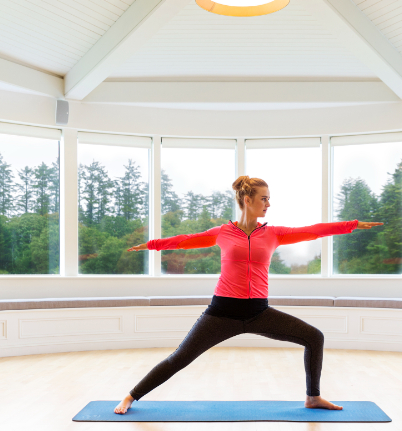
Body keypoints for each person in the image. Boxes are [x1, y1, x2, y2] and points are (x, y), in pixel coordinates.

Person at [114, 175, 382, 414]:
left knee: (315, 337)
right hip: (221, 313)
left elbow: (312, 231)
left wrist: (351, 224)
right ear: (246, 199)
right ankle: (131, 396)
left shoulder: (274, 234)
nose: (268, 204)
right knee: (180, 358)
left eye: (269, 199)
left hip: (259, 312)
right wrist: (151, 245)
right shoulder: (222, 233)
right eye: (264, 199)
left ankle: (313, 398)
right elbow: (184, 240)